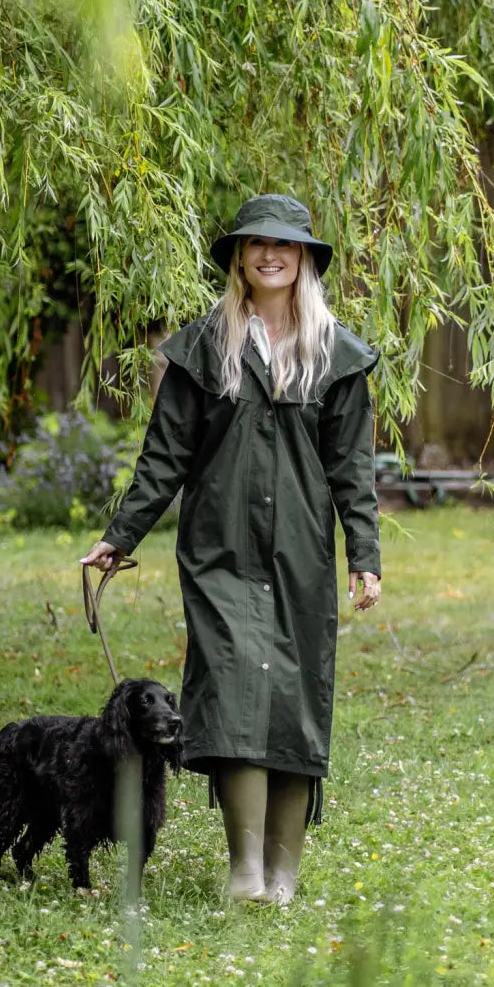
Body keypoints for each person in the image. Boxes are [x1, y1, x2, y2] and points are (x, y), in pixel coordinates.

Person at [80, 194, 381, 904]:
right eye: (255, 245)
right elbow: (164, 457)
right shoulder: (205, 348)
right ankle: (245, 871)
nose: (269, 255)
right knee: (235, 684)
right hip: (221, 551)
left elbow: (353, 471)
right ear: (240, 258)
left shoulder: (336, 355)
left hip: (302, 554)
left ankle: (284, 875)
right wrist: (119, 537)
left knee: (295, 696)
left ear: (303, 257)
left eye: (283, 245)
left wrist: (363, 555)